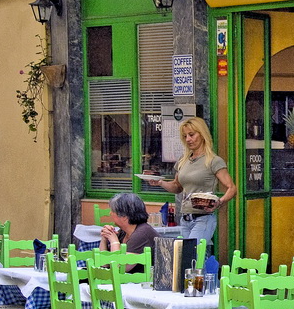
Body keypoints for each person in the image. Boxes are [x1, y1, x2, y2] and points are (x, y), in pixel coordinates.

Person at [154, 116, 236, 245]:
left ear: (202, 134)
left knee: (193, 255)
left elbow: (231, 188)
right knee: (191, 258)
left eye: (191, 135)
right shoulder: (183, 160)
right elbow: (177, 187)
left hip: (203, 217)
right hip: (185, 218)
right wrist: (159, 182)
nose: (188, 139)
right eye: (185, 136)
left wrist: (219, 202)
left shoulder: (214, 161)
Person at [99, 193, 159, 272]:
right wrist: (104, 238)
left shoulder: (142, 234)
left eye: (113, 211)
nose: (110, 213)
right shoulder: (124, 232)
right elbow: (103, 264)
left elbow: (119, 268)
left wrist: (114, 242)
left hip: (142, 283)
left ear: (124, 216)